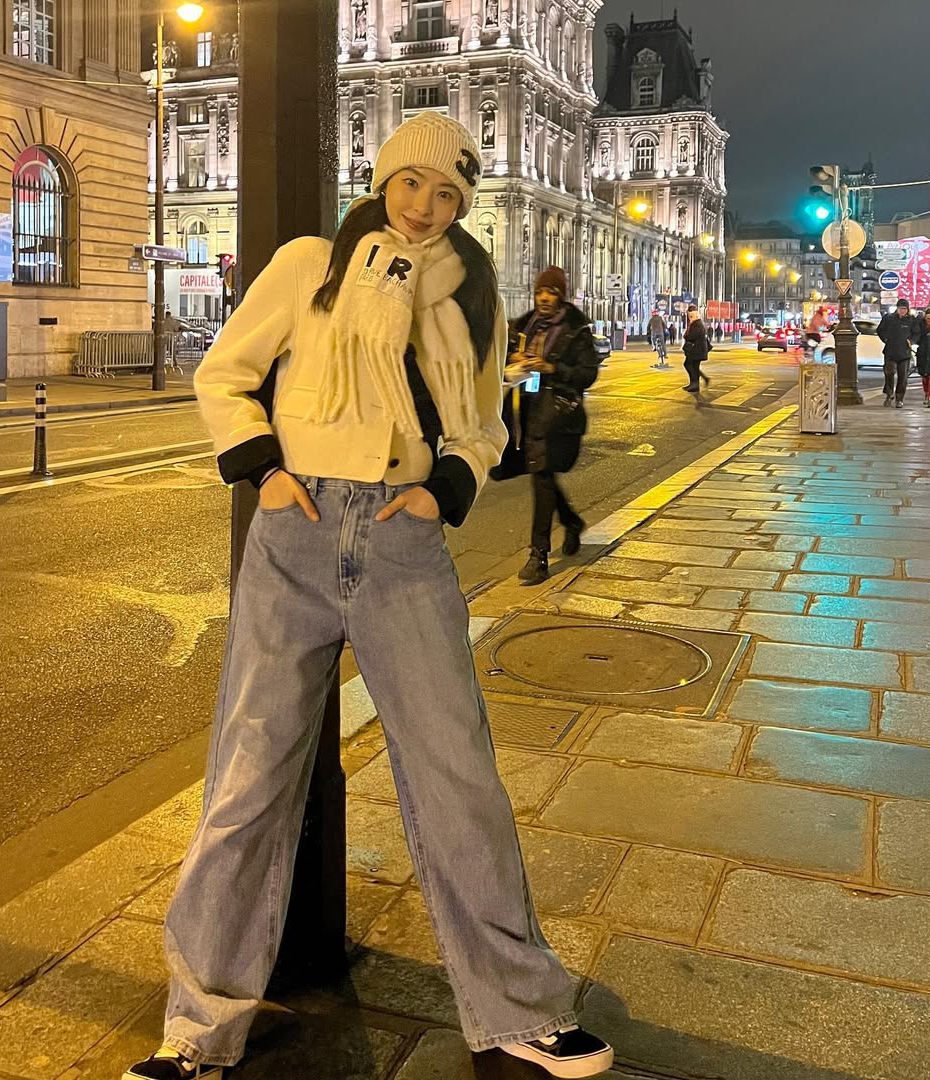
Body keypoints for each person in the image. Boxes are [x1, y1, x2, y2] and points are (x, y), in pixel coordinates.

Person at [124, 112, 613, 1080]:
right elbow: (226, 372)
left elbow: (482, 423)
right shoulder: (312, 264)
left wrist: (444, 489)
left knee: (458, 773)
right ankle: (198, 1027)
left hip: (402, 539)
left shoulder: (472, 292)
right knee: (248, 777)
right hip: (298, 529)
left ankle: (519, 1007)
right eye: (412, 183)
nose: (425, 207)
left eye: (448, 194)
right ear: (383, 177)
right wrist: (266, 472)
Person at [496, 266, 600, 586]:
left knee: (541, 477)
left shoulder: (575, 329)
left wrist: (551, 367)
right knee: (543, 476)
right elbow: (500, 355)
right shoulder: (524, 325)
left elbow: (588, 374)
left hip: (557, 415)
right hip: (526, 412)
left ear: (561, 297)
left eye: (551, 293)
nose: (543, 298)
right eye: (540, 291)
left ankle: (538, 556)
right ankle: (571, 521)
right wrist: (514, 360)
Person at [877, 298, 915, 409]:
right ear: (897, 308)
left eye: (905, 309)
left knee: (903, 377)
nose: (902, 311)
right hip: (890, 351)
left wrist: (911, 341)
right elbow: (880, 330)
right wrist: (886, 339)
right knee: (889, 373)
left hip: (904, 353)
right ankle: (889, 394)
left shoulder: (911, 320)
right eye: (900, 308)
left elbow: (916, 333)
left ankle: (899, 398)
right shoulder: (888, 318)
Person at [682, 304, 711, 392]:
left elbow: (691, 336)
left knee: (688, 364)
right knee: (694, 367)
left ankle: (694, 383)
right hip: (698, 349)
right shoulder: (699, 323)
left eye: (690, 316)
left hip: (696, 350)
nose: (689, 318)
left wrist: (686, 336)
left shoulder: (696, 324)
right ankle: (695, 384)